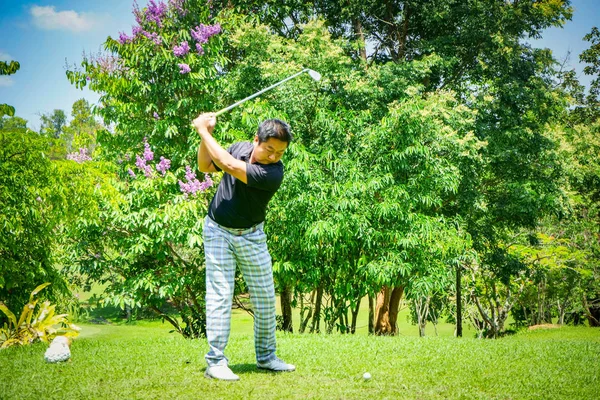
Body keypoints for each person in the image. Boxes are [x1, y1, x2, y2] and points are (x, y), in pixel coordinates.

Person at [192, 112, 296, 381]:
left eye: (280, 152)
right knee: (220, 294)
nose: (273, 156)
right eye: (269, 149)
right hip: (217, 231)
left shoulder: (273, 173)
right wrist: (206, 136)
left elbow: (226, 164)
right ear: (256, 140)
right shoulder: (240, 147)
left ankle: (266, 357)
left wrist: (204, 131)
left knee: (263, 297)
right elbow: (206, 165)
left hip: (251, 235)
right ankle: (215, 361)